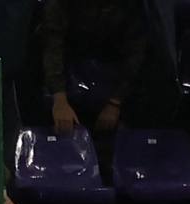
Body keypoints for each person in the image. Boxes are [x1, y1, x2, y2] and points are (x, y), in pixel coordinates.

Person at [41, 0, 174, 135]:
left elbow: (136, 52)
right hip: (72, 60)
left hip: (115, 64)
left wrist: (115, 102)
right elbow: (53, 45)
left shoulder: (132, 5)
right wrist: (59, 99)